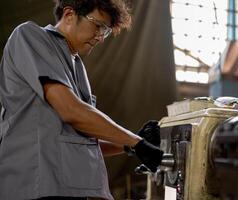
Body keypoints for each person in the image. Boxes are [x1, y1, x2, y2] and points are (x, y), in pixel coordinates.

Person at [0, 0, 163, 199]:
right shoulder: (30, 36)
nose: (101, 38)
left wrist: (127, 145)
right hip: (31, 186)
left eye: (106, 31)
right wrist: (135, 141)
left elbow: (78, 141)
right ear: (69, 15)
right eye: (98, 26)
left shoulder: (77, 67)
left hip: (63, 188)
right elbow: (71, 111)